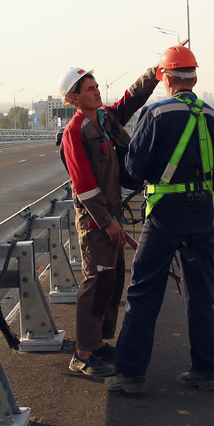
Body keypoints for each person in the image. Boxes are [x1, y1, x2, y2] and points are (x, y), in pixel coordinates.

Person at [105, 45, 214, 395]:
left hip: (164, 217)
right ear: (194, 77)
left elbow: (134, 167)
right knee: (200, 293)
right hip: (202, 214)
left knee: (144, 292)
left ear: (165, 78)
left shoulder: (157, 113)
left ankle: (130, 374)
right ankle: (205, 371)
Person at [57, 64, 160, 376]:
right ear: (74, 98)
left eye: (96, 86)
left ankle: (98, 344)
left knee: (113, 281)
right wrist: (106, 222)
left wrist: (155, 72)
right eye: (90, 89)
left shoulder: (105, 119)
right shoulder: (74, 133)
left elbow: (131, 98)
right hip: (95, 223)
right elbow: (84, 185)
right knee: (95, 283)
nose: (97, 91)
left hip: (111, 216)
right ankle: (83, 353)